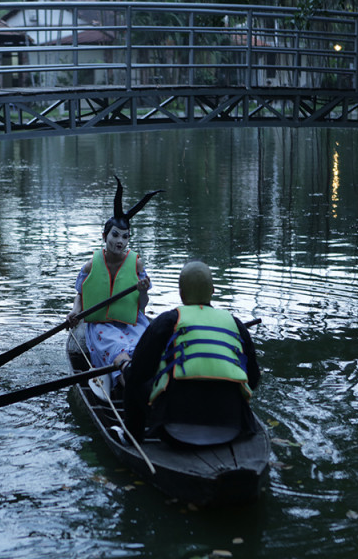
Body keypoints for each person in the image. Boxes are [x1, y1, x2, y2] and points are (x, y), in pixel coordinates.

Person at [122, 261, 261, 445]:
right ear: (212, 290)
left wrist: (123, 365)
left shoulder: (168, 321)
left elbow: (137, 373)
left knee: (132, 377)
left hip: (174, 431)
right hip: (233, 428)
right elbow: (253, 379)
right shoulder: (235, 324)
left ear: (181, 293)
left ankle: (131, 437)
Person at [67, 176, 163, 385]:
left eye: (125, 237)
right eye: (115, 235)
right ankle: (128, 381)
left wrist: (144, 291)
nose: (120, 241)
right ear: (105, 236)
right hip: (102, 324)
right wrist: (75, 312)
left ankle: (150, 386)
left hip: (132, 322)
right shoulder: (91, 265)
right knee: (119, 352)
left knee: (146, 350)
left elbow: (142, 305)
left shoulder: (137, 265)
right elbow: (81, 295)